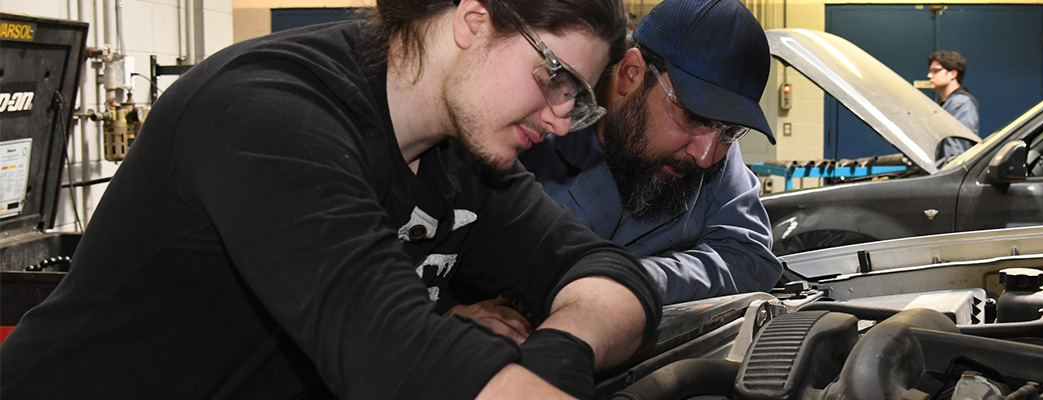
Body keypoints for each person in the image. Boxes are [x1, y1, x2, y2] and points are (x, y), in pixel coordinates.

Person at [0, 0, 661, 399]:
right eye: (555, 78)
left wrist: (564, 346)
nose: (560, 119)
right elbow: (400, 363)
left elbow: (610, 275)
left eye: (577, 99)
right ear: (472, 19)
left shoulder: (463, 156)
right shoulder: (269, 116)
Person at [517, 0, 783, 306]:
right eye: (692, 117)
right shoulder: (536, 125)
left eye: (730, 131)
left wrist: (632, 279)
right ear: (631, 74)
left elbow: (749, 259)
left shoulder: (713, 147)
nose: (705, 157)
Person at [928, 50, 980, 135]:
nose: (929, 75)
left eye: (936, 71)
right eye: (930, 71)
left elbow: (958, 141)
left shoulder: (962, 103)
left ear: (953, 74)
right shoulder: (946, 103)